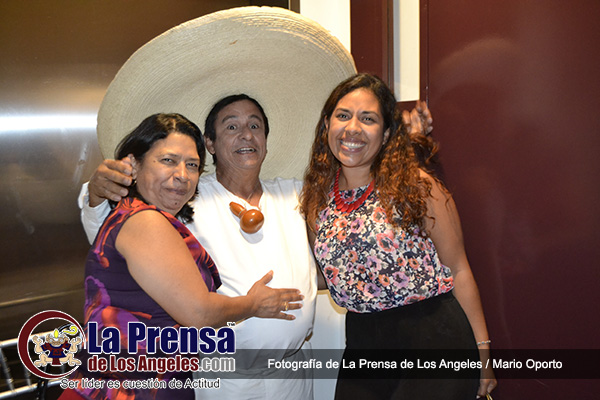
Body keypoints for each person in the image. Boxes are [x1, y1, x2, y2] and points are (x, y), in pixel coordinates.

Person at [80, 99, 318, 399]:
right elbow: (105, 235)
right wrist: (96, 192)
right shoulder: (176, 202)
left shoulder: (294, 194)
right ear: (211, 143)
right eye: (232, 126)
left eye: (255, 125)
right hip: (208, 380)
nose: (246, 134)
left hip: (290, 377)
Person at [299, 73, 497, 399]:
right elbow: (326, 275)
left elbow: (459, 269)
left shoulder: (417, 186)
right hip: (363, 344)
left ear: (387, 133)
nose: (352, 128)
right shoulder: (316, 199)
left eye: (368, 119)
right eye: (343, 115)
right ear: (326, 125)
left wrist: (483, 353)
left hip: (435, 340)